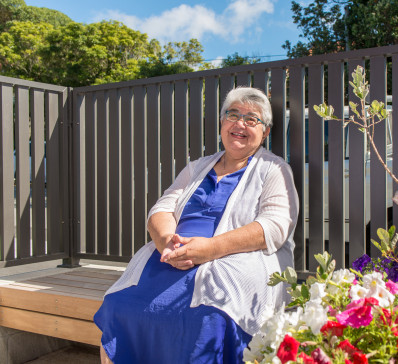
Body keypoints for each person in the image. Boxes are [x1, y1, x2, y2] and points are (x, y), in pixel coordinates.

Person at [94, 86, 299, 364]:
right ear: (221, 123)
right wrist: (166, 240)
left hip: (231, 262)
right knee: (121, 304)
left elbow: (275, 226)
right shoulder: (196, 168)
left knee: (207, 317)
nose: (240, 123)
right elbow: (162, 208)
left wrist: (211, 248)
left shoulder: (274, 169)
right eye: (233, 115)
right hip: (172, 256)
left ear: (265, 132)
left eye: (252, 119)